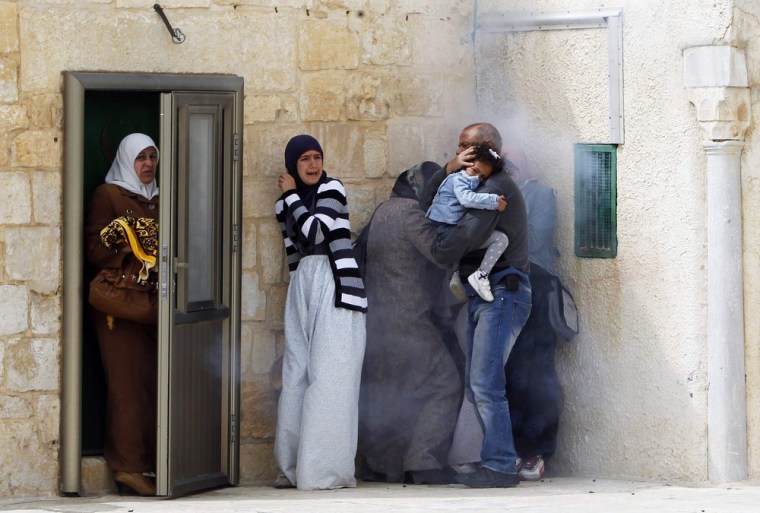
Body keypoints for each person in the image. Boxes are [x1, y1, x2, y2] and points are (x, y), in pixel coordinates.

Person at [421, 122, 531, 488]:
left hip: (503, 292)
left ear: (484, 148)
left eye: (464, 147)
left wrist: (439, 246)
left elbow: (459, 239)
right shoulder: (473, 184)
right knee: (478, 384)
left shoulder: (497, 188)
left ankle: (500, 466)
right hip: (483, 295)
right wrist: (448, 171)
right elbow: (425, 208)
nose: (458, 153)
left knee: (485, 384)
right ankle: (496, 461)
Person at [358, 162, 462, 485]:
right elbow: (439, 253)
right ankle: (423, 461)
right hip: (409, 324)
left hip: (377, 326)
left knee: (391, 396)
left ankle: (384, 467)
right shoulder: (412, 215)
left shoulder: (381, 212)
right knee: (446, 384)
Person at [273, 134, 367, 491]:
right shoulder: (286, 204)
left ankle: (322, 472)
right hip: (304, 284)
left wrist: (291, 195)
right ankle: (292, 467)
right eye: (304, 160)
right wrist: (298, 297)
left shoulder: (332, 188)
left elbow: (315, 231)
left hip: (336, 281)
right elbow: (293, 253)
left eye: (317, 157)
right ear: (292, 165)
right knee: (296, 374)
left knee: (330, 379)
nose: (313, 165)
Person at [85, 133, 160, 496]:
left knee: (156, 385)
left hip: (155, 307)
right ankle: (129, 468)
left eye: (152, 157)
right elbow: (95, 250)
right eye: (140, 158)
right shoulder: (109, 195)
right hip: (121, 307)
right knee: (128, 388)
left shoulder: (162, 197)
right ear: (126, 161)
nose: (147, 164)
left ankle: (158, 463)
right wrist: (133, 248)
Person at [502, 145, 562, 481]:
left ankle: (536, 451)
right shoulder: (498, 195)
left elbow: (536, 239)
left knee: (538, 372)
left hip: (537, 286)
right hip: (508, 287)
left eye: (514, 160)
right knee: (511, 372)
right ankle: (513, 447)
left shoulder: (541, 194)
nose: (509, 166)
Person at [426, 144, 509, 302]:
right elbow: (466, 199)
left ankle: (479, 275)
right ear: (466, 165)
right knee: (472, 238)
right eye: (475, 171)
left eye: (483, 177)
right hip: (444, 228)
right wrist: (494, 201)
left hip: (452, 228)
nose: (477, 178)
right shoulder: (459, 179)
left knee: (501, 239)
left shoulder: (470, 180)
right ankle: (460, 276)